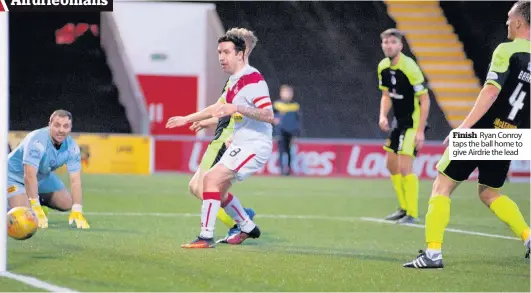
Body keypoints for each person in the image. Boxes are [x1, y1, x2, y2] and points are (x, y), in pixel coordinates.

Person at [403, 0, 530, 269]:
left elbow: (491, 91)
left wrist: (463, 127)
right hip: (511, 134)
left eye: (510, 17)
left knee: (442, 186)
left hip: (485, 129)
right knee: (489, 192)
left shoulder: (507, 50)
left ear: (519, 22)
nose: (507, 22)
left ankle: (433, 253)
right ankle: (529, 238)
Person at [167, 33, 274, 248]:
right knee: (217, 188)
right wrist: (187, 118)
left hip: (255, 144)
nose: (221, 57)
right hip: (240, 144)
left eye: (226, 52)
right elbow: (217, 108)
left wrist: (237, 108)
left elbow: (269, 115)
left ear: (241, 54)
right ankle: (247, 226)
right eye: (219, 53)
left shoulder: (253, 79)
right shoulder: (234, 81)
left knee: (209, 181)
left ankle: (206, 237)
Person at [377, 28, 431, 224]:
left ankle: (413, 213)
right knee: (391, 165)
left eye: (392, 42)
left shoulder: (410, 67)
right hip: (397, 122)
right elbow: (386, 95)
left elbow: (425, 100)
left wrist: (420, 131)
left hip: (413, 123)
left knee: (405, 167)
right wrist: (383, 115)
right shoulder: (383, 66)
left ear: (400, 46)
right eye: (385, 42)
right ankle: (403, 207)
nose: (388, 45)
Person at [7, 110, 90, 229]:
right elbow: (29, 176)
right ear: (49, 124)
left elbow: (75, 180)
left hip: (41, 177)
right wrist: (36, 208)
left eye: (65, 126)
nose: (61, 130)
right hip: (13, 177)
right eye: (57, 125)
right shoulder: (37, 140)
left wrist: (77, 209)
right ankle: (8, 202)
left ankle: (37, 200)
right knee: (23, 217)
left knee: (67, 203)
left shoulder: (72, 147)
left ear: (70, 128)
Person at [273, 84, 302, 176]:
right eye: (285, 92)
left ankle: (288, 170)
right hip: (280, 131)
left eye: (289, 92)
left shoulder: (295, 106)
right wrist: (274, 120)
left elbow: (298, 120)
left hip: (291, 132)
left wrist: (296, 133)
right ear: (281, 93)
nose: (287, 94)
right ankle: (282, 170)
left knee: (289, 151)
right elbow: (270, 116)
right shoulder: (277, 104)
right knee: (281, 150)